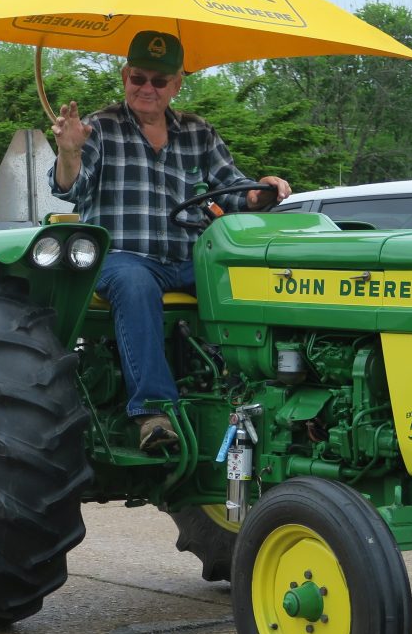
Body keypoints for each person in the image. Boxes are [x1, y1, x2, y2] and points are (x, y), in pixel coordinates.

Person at [50, 30, 292, 452]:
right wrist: (68, 153)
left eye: (159, 81)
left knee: (245, 281)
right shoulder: (100, 127)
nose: (147, 88)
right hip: (123, 257)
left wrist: (261, 190)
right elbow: (72, 188)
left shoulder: (198, 132)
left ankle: (249, 388)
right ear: (125, 76)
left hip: (186, 258)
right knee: (135, 283)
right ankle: (153, 412)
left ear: (177, 84)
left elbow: (232, 187)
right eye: (139, 78)